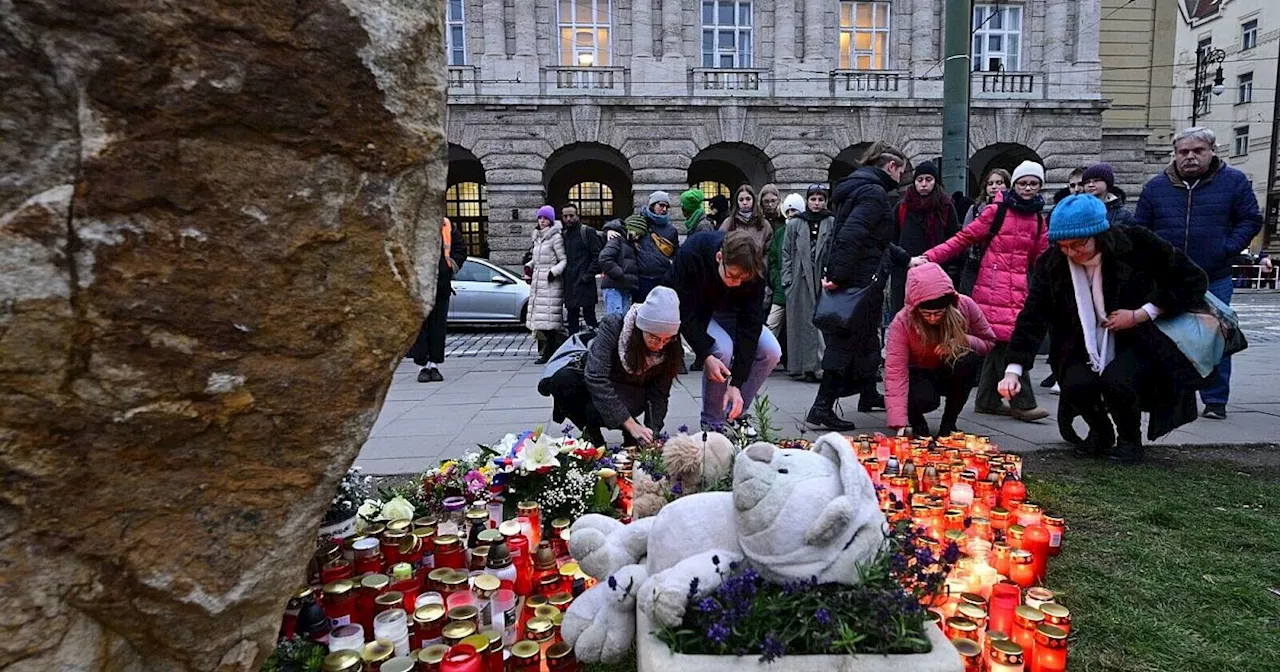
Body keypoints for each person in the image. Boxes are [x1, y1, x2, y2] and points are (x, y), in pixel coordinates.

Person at [999, 194, 1208, 464]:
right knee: (1075, 382)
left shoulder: (1137, 244)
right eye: (1063, 246)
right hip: (1079, 340)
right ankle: (1100, 432)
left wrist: (1142, 313)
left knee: (1118, 381)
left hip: (1139, 337)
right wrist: (1014, 368)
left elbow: (1192, 279)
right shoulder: (1053, 262)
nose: (1071, 253)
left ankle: (1130, 440)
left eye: (1078, 245)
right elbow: (1033, 314)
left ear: (1099, 233)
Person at [1133, 127, 1264, 420]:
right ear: (1175, 155)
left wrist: (1227, 247)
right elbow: (1140, 229)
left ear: (1212, 150)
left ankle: (1215, 399)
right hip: (1169, 279)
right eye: (1183, 152)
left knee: (1215, 336)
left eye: (1197, 151)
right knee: (1167, 336)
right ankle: (1170, 397)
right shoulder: (1156, 187)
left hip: (1213, 275)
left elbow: (1251, 219)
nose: (1190, 157)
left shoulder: (1234, 182)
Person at [912, 160, 1051, 423]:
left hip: (1018, 288)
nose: (1028, 188)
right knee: (1008, 341)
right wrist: (930, 257)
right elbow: (964, 238)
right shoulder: (996, 211)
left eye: (1033, 184)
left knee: (998, 341)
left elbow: (1041, 257)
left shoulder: (1036, 219)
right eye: (1023, 183)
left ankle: (987, 400)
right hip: (991, 286)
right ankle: (1023, 402)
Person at [806, 141, 905, 430]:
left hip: (859, 278)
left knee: (866, 340)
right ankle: (822, 407)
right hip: (859, 282)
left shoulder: (859, 188)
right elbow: (852, 236)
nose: (901, 178)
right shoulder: (873, 194)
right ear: (891, 167)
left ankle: (868, 393)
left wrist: (906, 259)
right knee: (845, 343)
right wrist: (837, 276)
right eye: (902, 172)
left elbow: (874, 241)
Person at [663, 228, 781, 428]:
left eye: (742, 280)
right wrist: (705, 355)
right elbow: (685, 311)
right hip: (698, 311)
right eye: (732, 275)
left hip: (734, 313)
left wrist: (736, 383)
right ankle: (713, 421)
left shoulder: (755, 270)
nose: (735, 284)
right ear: (719, 257)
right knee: (721, 350)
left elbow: (750, 325)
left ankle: (732, 413)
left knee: (771, 351)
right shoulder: (694, 252)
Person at [543, 287, 684, 448]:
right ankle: (591, 432)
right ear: (640, 328)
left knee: (607, 409)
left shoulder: (671, 348)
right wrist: (630, 424)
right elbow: (595, 377)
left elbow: (659, 395)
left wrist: (651, 433)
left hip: (633, 393)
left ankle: (632, 435)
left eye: (666, 339)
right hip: (598, 384)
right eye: (653, 337)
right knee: (563, 381)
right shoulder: (614, 326)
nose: (659, 346)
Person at [885, 263, 996, 437]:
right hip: (920, 372)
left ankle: (949, 422)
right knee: (922, 398)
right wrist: (898, 423)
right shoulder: (902, 322)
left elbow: (988, 341)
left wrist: (962, 341)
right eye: (926, 314)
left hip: (951, 370)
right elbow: (895, 372)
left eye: (938, 313)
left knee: (968, 361)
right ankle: (917, 421)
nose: (932, 319)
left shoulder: (965, 305)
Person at [888, 160, 961, 316]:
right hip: (906, 272)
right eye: (919, 180)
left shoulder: (946, 207)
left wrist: (952, 271)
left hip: (938, 272)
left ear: (935, 181)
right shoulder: (902, 207)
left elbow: (954, 240)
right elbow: (891, 238)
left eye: (929, 179)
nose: (923, 184)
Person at [783, 184, 836, 382]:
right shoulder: (796, 223)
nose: (816, 203)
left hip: (823, 278)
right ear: (807, 201)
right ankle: (803, 366)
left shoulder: (831, 221)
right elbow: (786, 252)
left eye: (820, 199)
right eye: (813, 199)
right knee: (801, 323)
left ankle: (822, 366)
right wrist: (787, 279)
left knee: (822, 324)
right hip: (800, 279)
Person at [409, 216, 468, 382]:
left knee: (438, 328)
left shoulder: (447, 226)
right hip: (418, 287)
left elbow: (460, 249)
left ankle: (434, 365)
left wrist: (450, 267)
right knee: (420, 329)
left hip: (441, 286)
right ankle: (422, 366)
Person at [625, 190, 682, 302]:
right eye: (661, 205)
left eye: (667, 206)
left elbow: (676, 254)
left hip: (663, 279)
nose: (664, 209)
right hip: (641, 280)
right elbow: (619, 226)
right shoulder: (638, 223)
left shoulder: (671, 230)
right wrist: (610, 229)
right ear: (652, 205)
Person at [527, 205, 567, 364]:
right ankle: (550, 351)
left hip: (550, 283)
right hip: (538, 282)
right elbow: (537, 259)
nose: (542, 221)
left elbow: (563, 260)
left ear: (550, 220)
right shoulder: (537, 237)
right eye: (540, 218)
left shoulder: (555, 237)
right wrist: (529, 265)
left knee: (549, 324)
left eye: (545, 218)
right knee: (540, 321)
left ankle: (549, 353)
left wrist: (553, 272)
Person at [767, 194, 805, 349]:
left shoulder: (805, 231)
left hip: (801, 286)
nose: (791, 215)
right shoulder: (780, 233)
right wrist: (777, 280)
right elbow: (773, 260)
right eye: (788, 211)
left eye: (794, 211)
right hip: (782, 287)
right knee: (771, 324)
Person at [560, 203, 602, 335]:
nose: (568, 219)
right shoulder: (564, 235)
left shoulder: (587, 232)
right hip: (570, 284)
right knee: (572, 320)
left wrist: (587, 276)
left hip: (585, 284)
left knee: (590, 319)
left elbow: (597, 256)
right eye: (565, 216)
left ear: (577, 215)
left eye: (571, 215)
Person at [598, 217, 638, 316]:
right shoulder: (617, 239)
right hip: (615, 286)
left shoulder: (627, 242)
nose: (637, 237)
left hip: (622, 285)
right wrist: (619, 273)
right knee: (615, 321)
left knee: (620, 320)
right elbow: (604, 258)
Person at [720, 184, 773, 257]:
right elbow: (721, 247)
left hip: (758, 267)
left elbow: (769, 252)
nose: (744, 203)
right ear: (737, 202)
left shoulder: (764, 224)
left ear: (753, 200)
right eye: (741, 200)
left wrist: (762, 266)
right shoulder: (728, 223)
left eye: (748, 199)